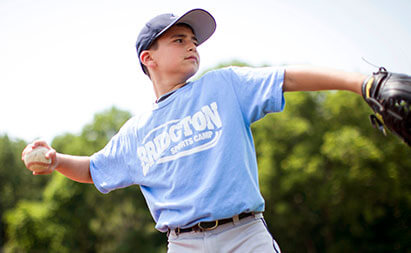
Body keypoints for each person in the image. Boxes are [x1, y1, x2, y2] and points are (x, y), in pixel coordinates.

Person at [22, 8, 367, 252]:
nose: (192, 45)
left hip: (244, 236)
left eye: (193, 40)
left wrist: (360, 83)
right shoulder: (136, 131)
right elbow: (93, 169)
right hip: (183, 243)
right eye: (178, 39)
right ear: (148, 58)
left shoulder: (224, 85)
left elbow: (287, 77)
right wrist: (55, 160)